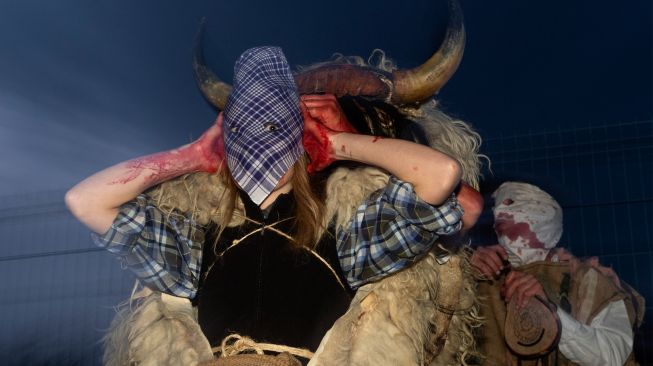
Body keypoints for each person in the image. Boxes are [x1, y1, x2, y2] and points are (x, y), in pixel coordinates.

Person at [66, 46, 477, 364]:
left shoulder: (345, 236)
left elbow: (439, 176)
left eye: (279, 130)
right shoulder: (197, 243)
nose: (262, 148)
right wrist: (194, 154)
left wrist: (337, 142)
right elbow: (86, 201)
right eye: (245, 132)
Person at [471, 182, 645, 366]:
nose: (498, 210)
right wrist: (460, 270)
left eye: (510, 201)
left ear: (543, 212)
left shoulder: (589, 280)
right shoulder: (482, 276)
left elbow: (613, 356)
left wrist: (551, 313)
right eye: (495, 205)